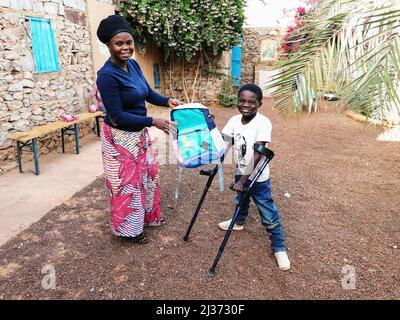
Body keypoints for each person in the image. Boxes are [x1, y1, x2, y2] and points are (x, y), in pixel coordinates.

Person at [96, 15, 180, 244]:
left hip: (138, 135)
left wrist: (167, 101)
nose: (126, 48)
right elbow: (117, 116)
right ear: (108, 45)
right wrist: (153, 121)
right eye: (119, 43)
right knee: (127, 187)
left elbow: (147, 92)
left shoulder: (132, 65)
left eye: (129, 42)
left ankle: (148, 218)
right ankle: (130, 231)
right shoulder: (106, 76)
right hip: (119, 140)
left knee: (149, 177)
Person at [218, 83, 291, 271]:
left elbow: (259, 152)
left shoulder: (263, 122)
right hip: (241, 169)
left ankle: (279, 247)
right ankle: (238, 222)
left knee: (267, 211)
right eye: (242, 100)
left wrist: (243, 181)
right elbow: (223, 143)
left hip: (257, 176)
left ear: (259, 103)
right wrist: (210, 129)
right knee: (241, 200)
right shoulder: (234, 120)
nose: (246, 105)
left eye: (251, 102)